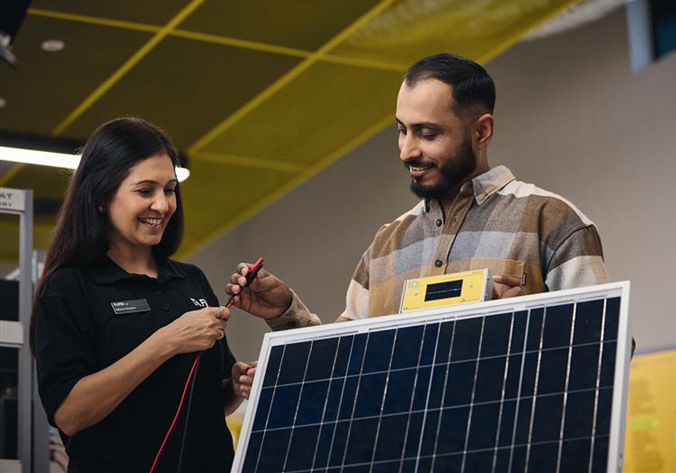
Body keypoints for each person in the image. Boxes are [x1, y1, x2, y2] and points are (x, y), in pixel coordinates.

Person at [226, 53, 610, 329]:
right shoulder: (385, 246)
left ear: (482, 131)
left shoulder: (552, 220)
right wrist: (285, 313)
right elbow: (342, 369)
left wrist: (543, 325)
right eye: (401, 130)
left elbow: (607, 350)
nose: (407, 150)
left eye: (427, 133)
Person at [32, 118, 255, 473]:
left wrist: (237, 384)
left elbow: (213, 398)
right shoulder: (69, 287)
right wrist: (165, 342)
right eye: (145, 190)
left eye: (169, 189)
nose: (163, 205)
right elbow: (70, 415)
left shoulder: (190, 279)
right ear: (102, 196)